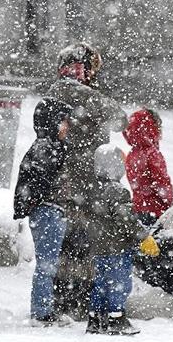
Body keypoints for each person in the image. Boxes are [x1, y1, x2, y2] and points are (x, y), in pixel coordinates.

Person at [46, 42, 129, 319]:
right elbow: (119, 118)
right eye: (91, 67)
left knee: (74, 242)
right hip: (77, 181)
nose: (93, 73)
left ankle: (71, 298)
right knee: (78, 240)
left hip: (76, 180)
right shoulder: (71, 90)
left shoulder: (64, 90)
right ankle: (73, 300)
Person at [84, 144, 160, 335]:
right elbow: (126, 219)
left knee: (99, 284)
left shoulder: (91, 189)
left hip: (97, 248)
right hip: (116, 247)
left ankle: (96, 319)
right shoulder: (117, 191)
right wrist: (144, 237)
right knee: (119, 284)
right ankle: (116, 319)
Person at [13, 98, 73, 327]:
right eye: (63, 122)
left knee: (50, 264)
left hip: (52, 210)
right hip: (48, 212)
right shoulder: (46, 148)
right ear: (51, 122)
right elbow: (37, 183)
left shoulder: (52, 146)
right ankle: (41, 312)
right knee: (47, 264)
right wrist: (45, 201)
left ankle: (46, 307)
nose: (66, 127)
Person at [122, 108, 173, 226]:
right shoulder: (151, 154)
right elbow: (161, 183)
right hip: (156, 211)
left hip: (139, 209)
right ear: (151, 128)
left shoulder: (133, 154)